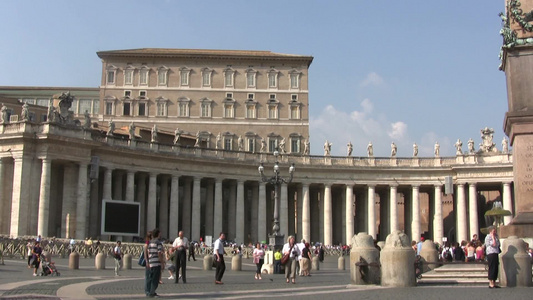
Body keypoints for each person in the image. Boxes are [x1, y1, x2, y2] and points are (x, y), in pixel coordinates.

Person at [146, 229, 164, 297]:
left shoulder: (150, 242)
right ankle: (152, 292)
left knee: (151, 278)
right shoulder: (158, 243)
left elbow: (148, 252)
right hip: (156, 262)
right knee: (155, 279)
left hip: (151, 261)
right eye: (160, 234)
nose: (161, 235)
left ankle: (150, 291)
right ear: (158, 234)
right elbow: (159, 253)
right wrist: (162, 263)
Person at [143, 231, 152, 297]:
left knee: (151, 277)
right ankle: (147, 291)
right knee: (148, 277)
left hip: (152, 262)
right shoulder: (146, 245)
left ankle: (150, 290)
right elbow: (145, 255)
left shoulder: (151, 244)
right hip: (148, 262)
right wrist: (147, 262)